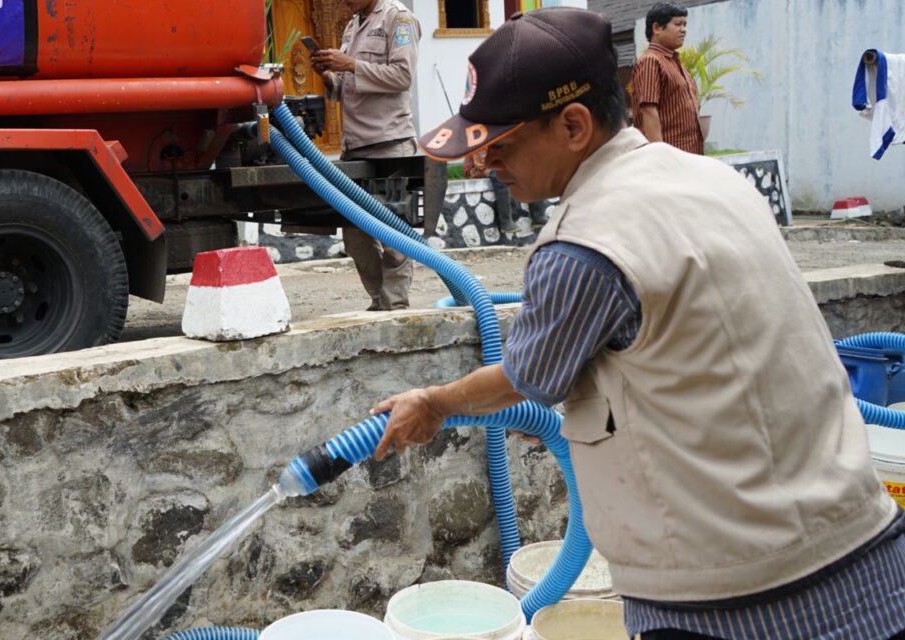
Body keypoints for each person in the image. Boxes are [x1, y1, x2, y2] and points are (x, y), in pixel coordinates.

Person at [379, 7, 905, 639]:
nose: (484, 163)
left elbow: (526, 379)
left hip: (734, 601)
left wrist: (434, 403)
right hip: (870, 560)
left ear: (574, 125)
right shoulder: (713, 180)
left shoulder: (582, 243)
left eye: (501, 143)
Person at [311, 0, 420, 311]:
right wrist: (329, 76)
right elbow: (346, 89)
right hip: (355, 145)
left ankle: (394, 304)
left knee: (394, 232)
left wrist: (350, 64)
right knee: (354, 233)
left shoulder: (399, 19)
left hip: (389, 142)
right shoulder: (353, 25)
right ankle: (379, 298)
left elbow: (402, 76)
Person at [632, 3, 704, 154]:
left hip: (687, 156)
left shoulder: (676, 64)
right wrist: (660, 156)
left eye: (685, 24)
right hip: (669, 158)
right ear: (657, 28)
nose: (683, 29)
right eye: (677, 24)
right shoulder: (651, 61)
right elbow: (648, 110)